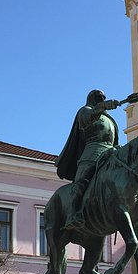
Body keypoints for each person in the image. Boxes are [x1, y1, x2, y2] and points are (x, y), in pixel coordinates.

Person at [55, 89, 120, 230]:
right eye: (99, 97)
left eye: (103, 97)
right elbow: (88, 119)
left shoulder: (108, 119)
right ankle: (73, 214)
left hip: (111, 152)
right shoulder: (85, 111)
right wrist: (104, 106)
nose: (101, 99)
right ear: (92, 98)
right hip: (93, 151)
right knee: (82, 180)